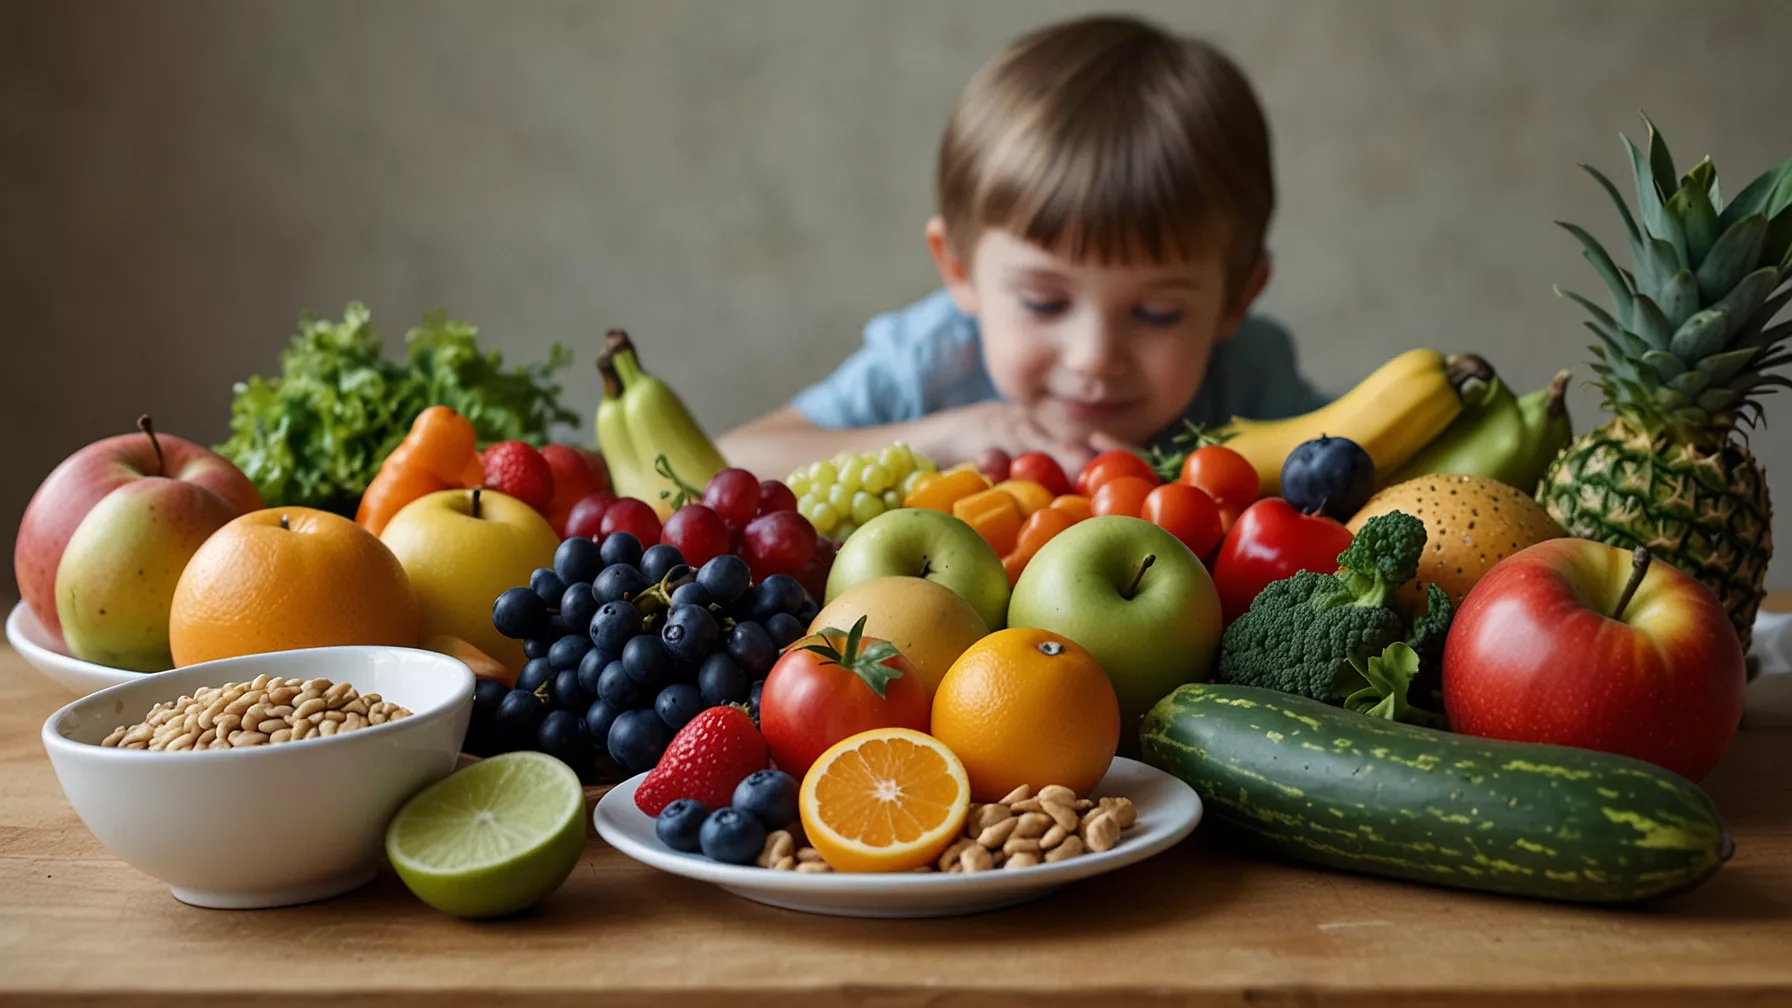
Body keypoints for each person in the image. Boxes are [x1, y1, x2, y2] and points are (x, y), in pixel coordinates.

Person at [717, 13, 1329, 481]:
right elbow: (727, 461)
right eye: (1042, 302)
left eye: (1157, 313)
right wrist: (944, 437)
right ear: (958, 268)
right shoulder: (930, 365)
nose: (1093, 357)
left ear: (1238, 299)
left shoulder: (1249, 373)